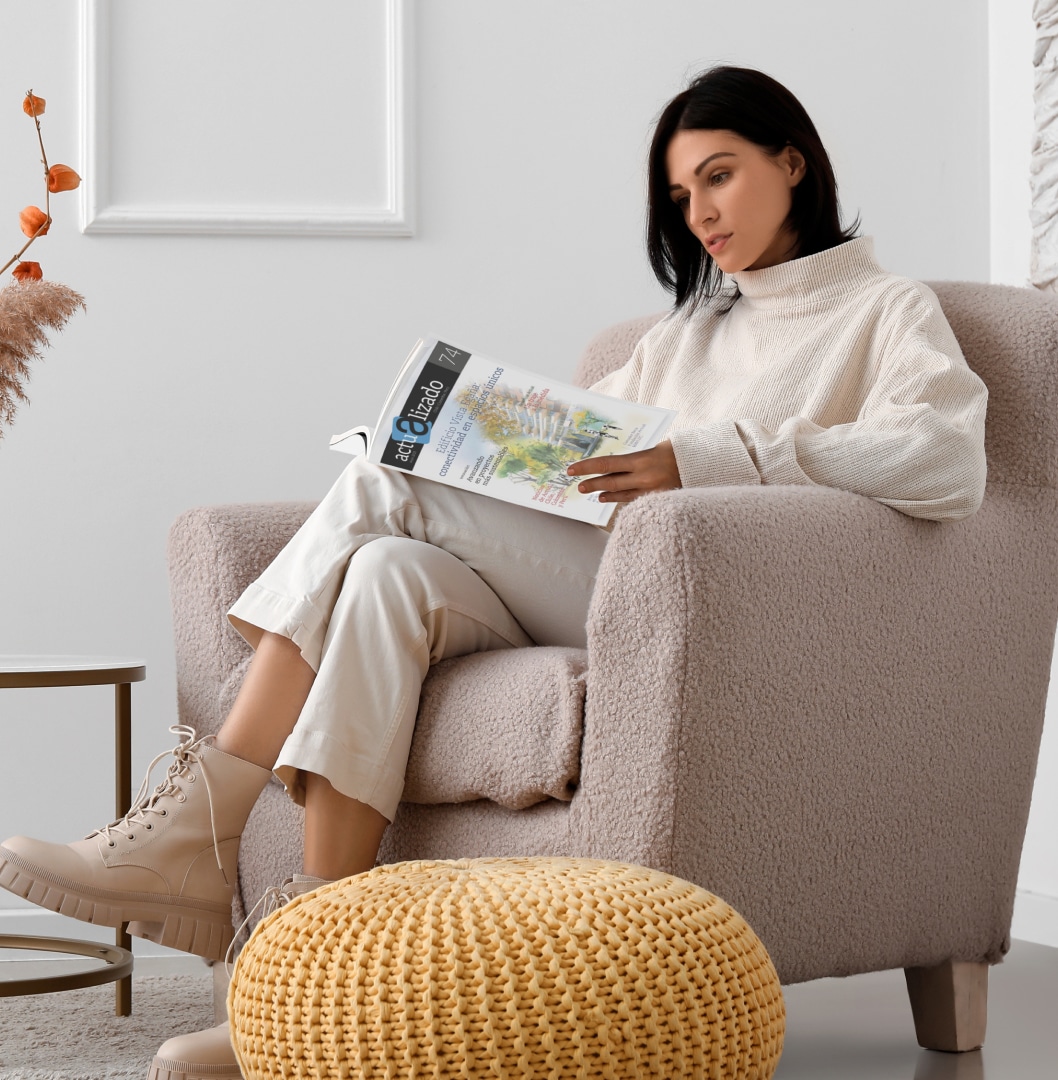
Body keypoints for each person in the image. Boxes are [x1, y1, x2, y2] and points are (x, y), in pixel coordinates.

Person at [0, 65, 987, 1079]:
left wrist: (710, 457)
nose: (698, 215)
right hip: (593, 578)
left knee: (387, 485)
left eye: (718, 177)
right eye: (680, 197)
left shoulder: (880, 310)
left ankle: (203, 814)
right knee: (383, 567)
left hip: (698, 606)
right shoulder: (686, 331)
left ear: (791, 162)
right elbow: (583, 447)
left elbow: (945, 462)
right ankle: (295, 989)